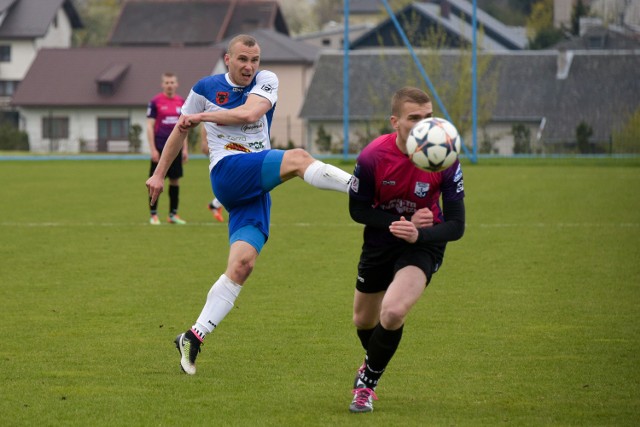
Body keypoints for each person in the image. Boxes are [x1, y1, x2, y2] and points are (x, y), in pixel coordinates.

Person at [145, 34, 353, 375]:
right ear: (228, 59)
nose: (249, 66)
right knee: (299, 159)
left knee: (242, 265)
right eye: (243, 59)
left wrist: (203, 118)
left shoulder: (266, 80)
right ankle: (359, 188)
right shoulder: (204, 88)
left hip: (255, 184)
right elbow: (179, 131)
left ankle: (193, 336)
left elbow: (250, 113)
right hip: (228, 172)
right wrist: (158, 175)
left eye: (254, 60)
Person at [347, 87, 465, 413]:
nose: (424, 125)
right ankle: (370, 364)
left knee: (394, 311)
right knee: (363, 320)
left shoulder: (445, 157)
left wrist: (419, 234)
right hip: (380, 242)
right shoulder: (373, 156)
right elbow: (357, 210)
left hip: (423, 245)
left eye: (428, 117)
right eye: (414, 118)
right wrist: (399, 222)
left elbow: (456, 225)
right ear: (395, 122)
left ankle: (367, 385)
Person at [146, 72, 189, 225]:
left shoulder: (182, 102)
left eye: (172, 82)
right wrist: (152, 149)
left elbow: (184, 127)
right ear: (162, 84)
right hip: (159, 147)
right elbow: (149, 127)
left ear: (176, 84)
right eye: (167, 82)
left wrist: (185, 149)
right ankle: (153, 214)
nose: (170, 85)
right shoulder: (155, 102)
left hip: (176, 149)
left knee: (175, 180)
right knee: (155, 180)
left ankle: (173, 215)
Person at [200, 125, 225, 222]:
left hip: (235, 148)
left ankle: (215, 204)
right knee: (235, 181)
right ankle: (215, 205)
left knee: (238, 182)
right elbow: (205, 122)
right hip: (220, 150)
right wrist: (204, 142)